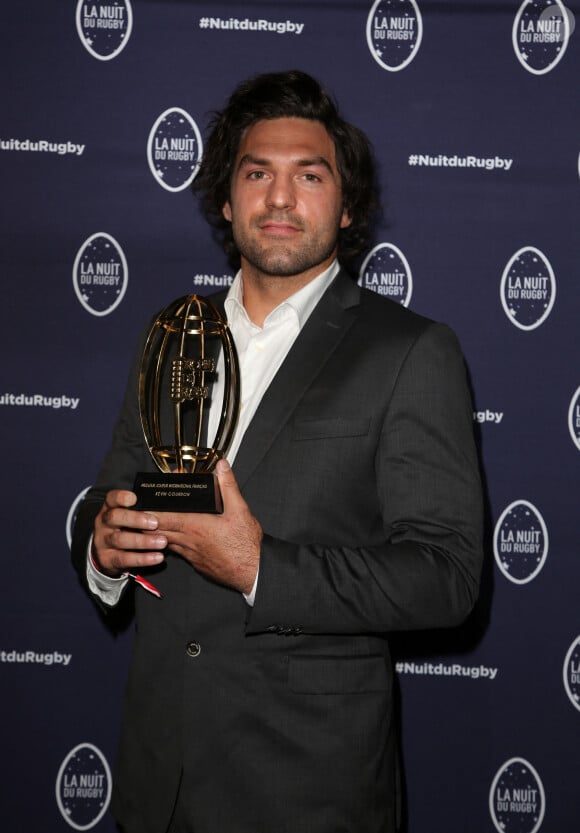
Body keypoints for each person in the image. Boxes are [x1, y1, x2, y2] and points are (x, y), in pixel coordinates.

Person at [72, 70, 483, 833]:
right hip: (156, 785)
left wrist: (260, 566)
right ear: (226, 202)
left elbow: (448, 577)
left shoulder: (409, 351)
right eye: (257, 173)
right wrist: (102, 547)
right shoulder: (173, 334)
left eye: (310, 175)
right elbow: (105, 499)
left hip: (306, 792)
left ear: (347, 203)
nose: (282, 198)